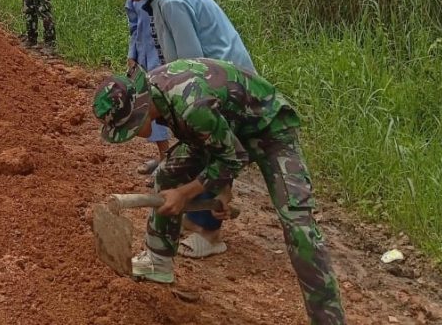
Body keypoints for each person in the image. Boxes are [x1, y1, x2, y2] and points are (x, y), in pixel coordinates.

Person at [93, 59, 346, 325]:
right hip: (227, 133)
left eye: (127, 130)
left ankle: (328, 320)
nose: (129, 136)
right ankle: (158, 260)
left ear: (140, 111)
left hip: (270, 131)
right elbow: (218, 142)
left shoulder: (190, 105)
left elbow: (232, 156)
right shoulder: (157, 95)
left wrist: (185, 194)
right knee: (168, 173)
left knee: (299, 228)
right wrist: (222, 190)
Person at [102, 0, 255, 258]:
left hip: (221, 86)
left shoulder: (171, 1)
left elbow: (191, 61)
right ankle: (196, 213)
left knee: (206, 147)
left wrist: (171, 100)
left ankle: (209, 234)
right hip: (209, 82)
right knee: (188, 153)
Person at [124, 0, 168, 181]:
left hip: (163, 59)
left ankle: (166, 160)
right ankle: (163, 155)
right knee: (149, 105)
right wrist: (132, 55)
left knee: (164, 107)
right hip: (144, 56)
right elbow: (134, 26)